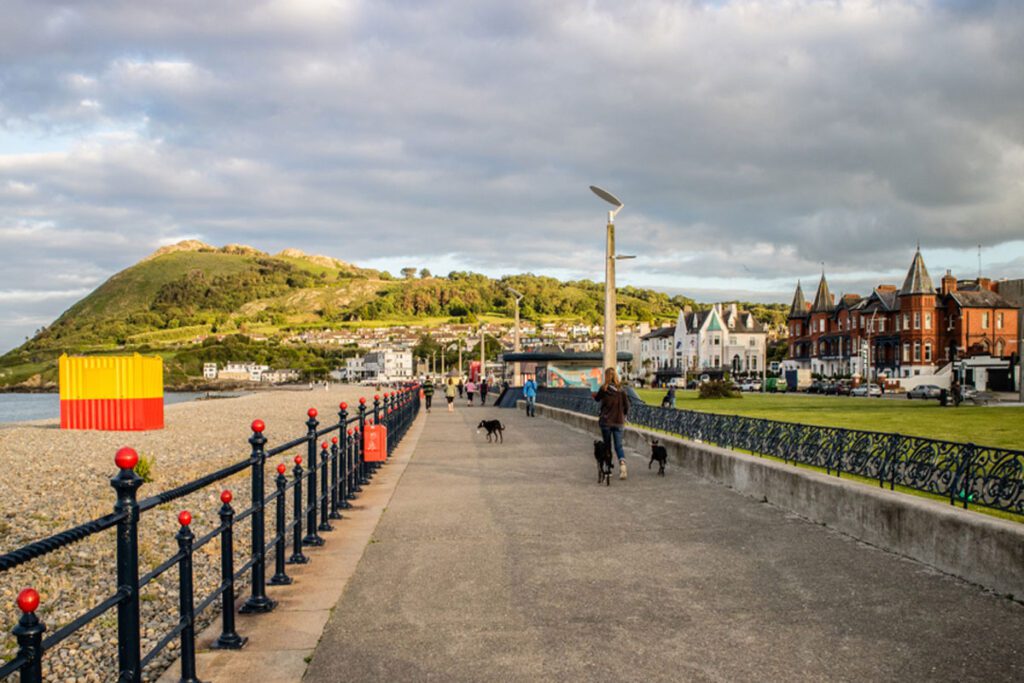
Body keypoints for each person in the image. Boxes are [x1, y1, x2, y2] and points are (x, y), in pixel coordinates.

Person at [593, 367, 630, 480]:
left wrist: (594, 395)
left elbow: (597, 399)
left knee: (607, 446)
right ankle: (622, 465)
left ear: (606, 376)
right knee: (618, 446)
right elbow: (627, 406)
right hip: (618, 422)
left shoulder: (604, 389)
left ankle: (608, 470)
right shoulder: (621, 391)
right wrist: (624, 415)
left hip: (606, 422)